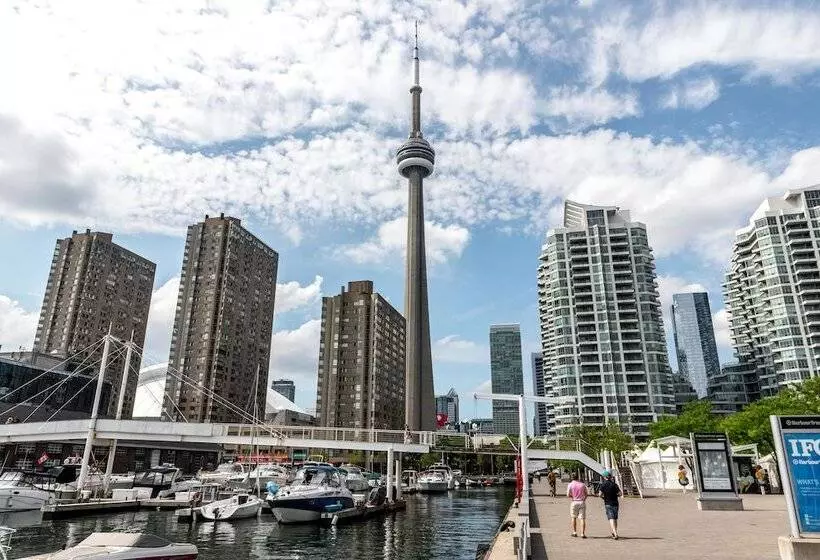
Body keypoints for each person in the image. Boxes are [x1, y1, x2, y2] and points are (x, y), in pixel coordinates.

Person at [598, 469, 622, 540]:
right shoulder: (614, 485)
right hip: (615, 503)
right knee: (615, 518)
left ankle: (615, 533)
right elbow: (620, 494)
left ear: (604, 477)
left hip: (608, 503)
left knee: (611, 518)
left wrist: (604, 497)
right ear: (610, 477)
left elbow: (600, 494)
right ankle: (614, 532)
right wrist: (615, 495)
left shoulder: (603, 485)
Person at [566, 472, 588, 538]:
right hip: (581, 502)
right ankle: (582, 533)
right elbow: (586, 494)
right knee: (582, 518)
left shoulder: (570, 484)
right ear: (578, 477)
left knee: (573, 517)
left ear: (572, 478)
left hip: (574, 502)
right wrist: (584, 499)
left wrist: (572, 496)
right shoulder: (582, 484)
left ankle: (574, 532)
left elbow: (567, 495)